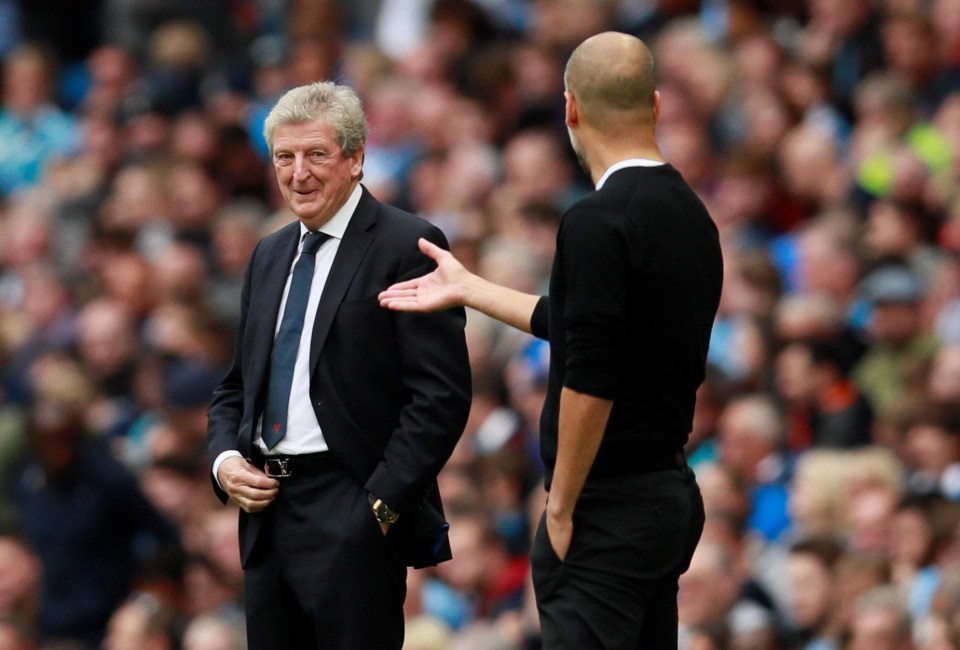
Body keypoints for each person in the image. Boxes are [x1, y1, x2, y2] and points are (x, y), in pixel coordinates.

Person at [380, 31, 723, 649]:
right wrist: (470, 288)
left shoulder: (596, 220)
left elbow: (591, 374)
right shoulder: (690, 212)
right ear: (654, 106)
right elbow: (585, 327)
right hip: (667, 496)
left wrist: (563, 504)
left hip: (604, 507)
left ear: (569, 108)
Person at [206, 81, 471, 649]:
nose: (298, 172)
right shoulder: (269, 253)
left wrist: (377, 507)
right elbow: (235, 389)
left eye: (316, 155)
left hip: (351, 509)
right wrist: (225, 461)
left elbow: (441, 396)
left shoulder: (407, 244)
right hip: (266, 514)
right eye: (285, 156)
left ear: (356, 160)